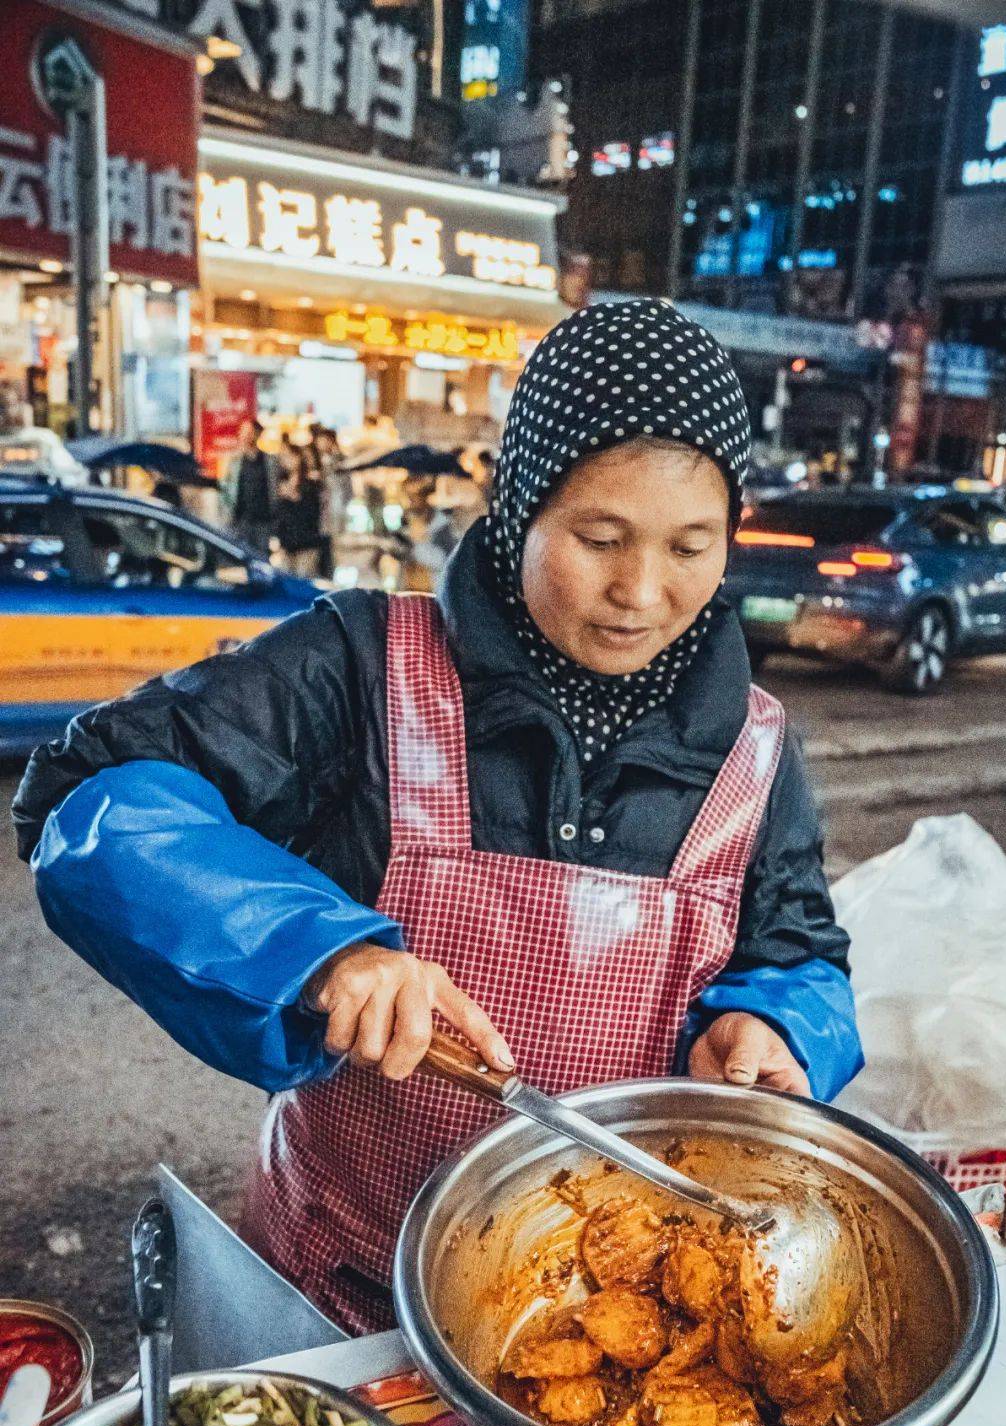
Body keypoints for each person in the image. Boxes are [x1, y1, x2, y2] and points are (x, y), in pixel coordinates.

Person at [13, 299, 863, 1335]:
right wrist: (316, 950)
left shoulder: (758, 746)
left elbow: (801, 951)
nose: (642, 590)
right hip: (337, 1287)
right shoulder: (357, 664)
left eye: (693, 544)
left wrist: (777, 1025)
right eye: (599, 537)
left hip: (603, 1319)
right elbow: (89, 800)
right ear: (518, 508)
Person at [222, 419, 277, 557]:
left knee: (262, 559)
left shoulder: (269, 461)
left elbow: (275, 487)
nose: (245, 436)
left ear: (257, 434)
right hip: (241, 521)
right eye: (243, 432)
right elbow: (224, 489)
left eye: (249, 432)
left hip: (263, 522)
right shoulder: (234, 461)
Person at [274, 440, 322, 578]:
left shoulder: (310, 484)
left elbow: (313, 513)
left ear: (298, 457)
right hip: (287, 544)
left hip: (306, 544)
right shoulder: (281, 483)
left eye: (288, 456)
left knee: (303, 582)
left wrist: (295, 497)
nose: (284, 460)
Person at [312, 424, 346, 578]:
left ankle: (328, 577)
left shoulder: (340, 461)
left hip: (333, 514)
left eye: (323, 440)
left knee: (331, 552)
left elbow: (346, 489)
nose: (320, 444)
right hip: (318, 516)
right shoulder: (314, 460)